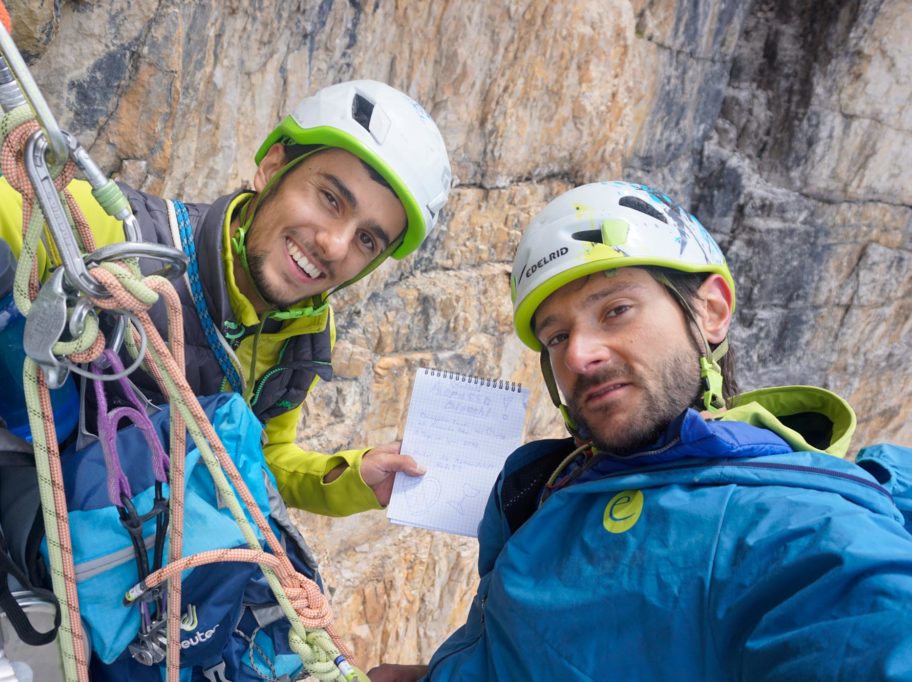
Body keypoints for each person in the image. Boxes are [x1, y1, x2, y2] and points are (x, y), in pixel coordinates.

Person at [369, 181, 912, 681]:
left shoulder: (799, 529)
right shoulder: (549, 480)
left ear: (711, 310)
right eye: (556, 337)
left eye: (616, 309)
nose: (579, 354)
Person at [0, 79, 452, 517]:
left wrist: (353, 477)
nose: (334, 245)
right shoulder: (113, 236)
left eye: (366, 239)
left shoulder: (304, 332)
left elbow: (256, 459)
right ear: (273, 167)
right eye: (330, 198)